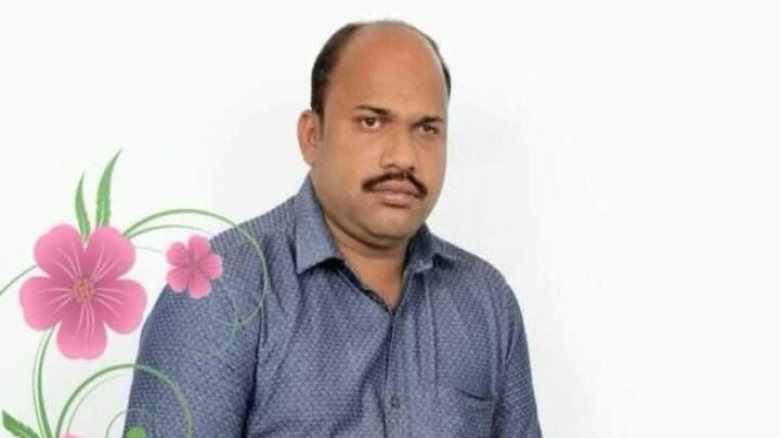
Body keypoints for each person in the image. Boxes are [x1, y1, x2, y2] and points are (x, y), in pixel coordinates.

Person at [124, 19, 542, 437]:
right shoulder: (220, 292)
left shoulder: (485, 301)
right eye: (372, 122)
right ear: (312, 136)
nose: (404, 156)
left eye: (426, 129)